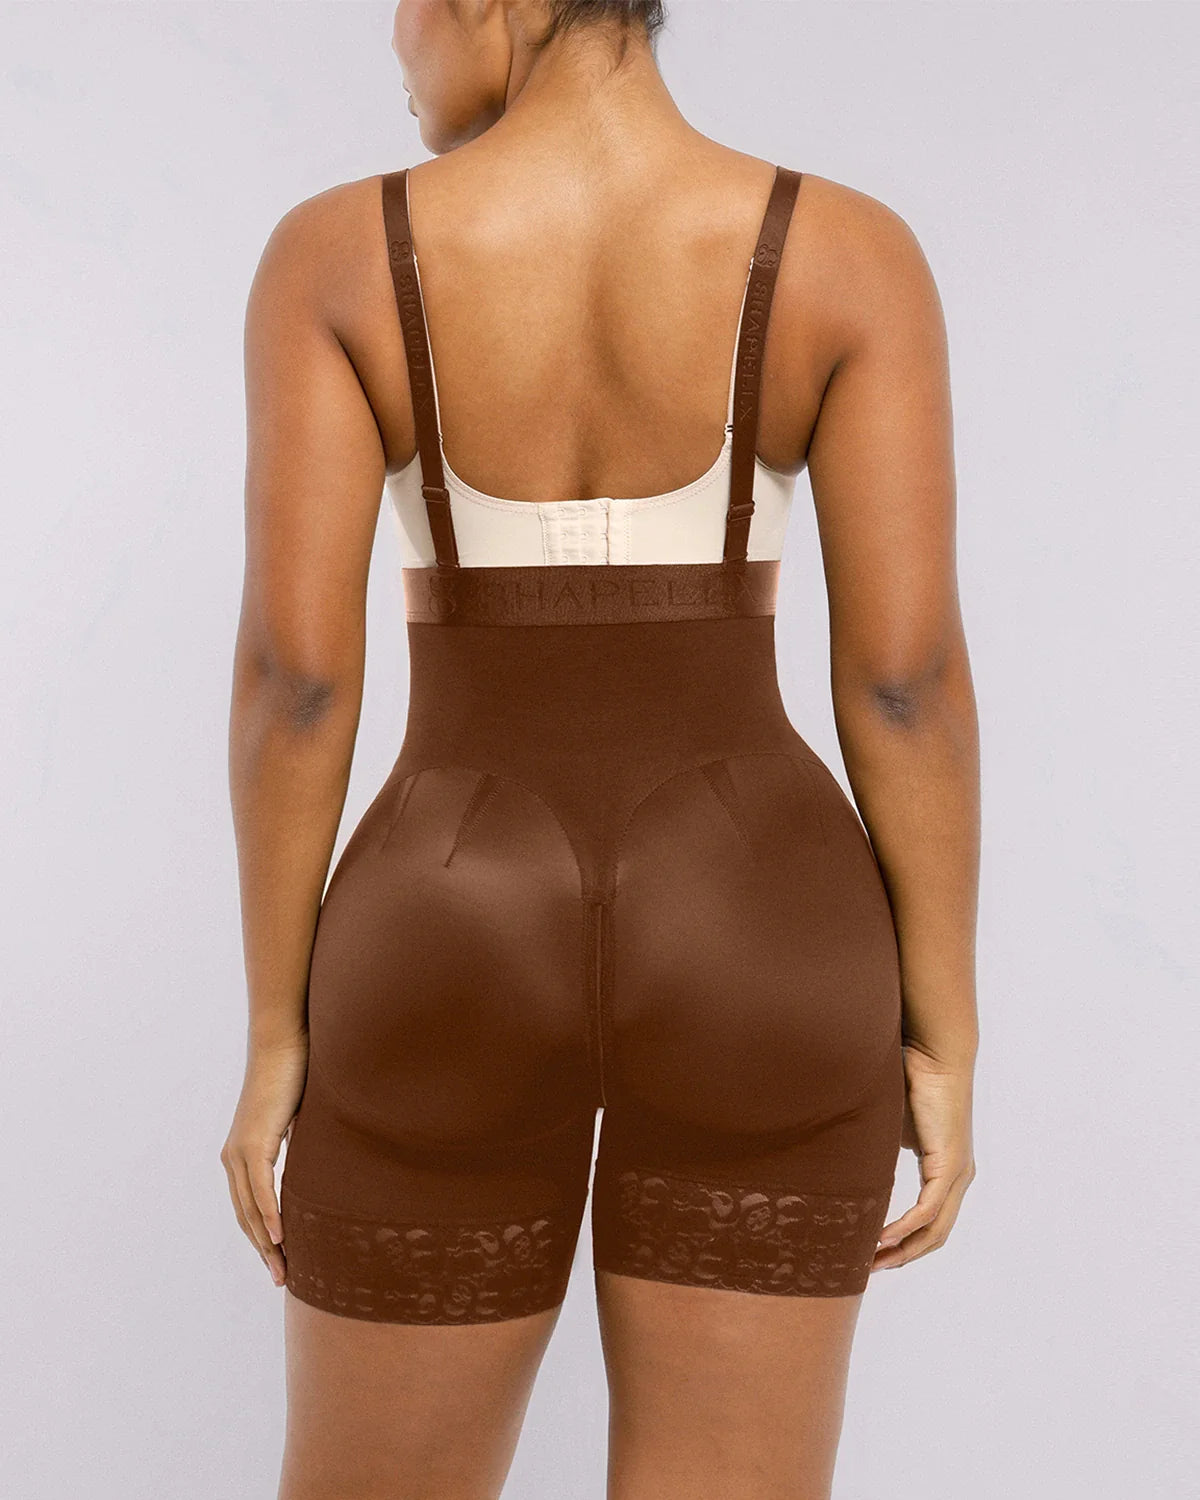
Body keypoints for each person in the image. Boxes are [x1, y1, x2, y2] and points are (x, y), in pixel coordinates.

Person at [223, 1, 980, 1494]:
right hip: (762, 919)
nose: (392, 38)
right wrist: (942, 1034)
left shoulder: (335, 257)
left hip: (442, 919)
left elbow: (295, 684)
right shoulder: (845, 252)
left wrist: (275, 1034)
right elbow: (907, 684)